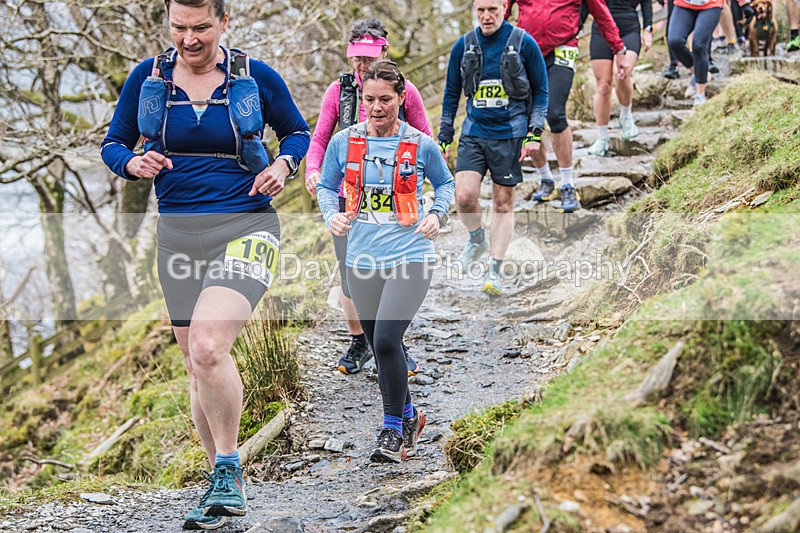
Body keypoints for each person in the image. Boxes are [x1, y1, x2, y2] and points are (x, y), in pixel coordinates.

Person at [100, 0, 309, 529]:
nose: (188, 39)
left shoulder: (255, 76)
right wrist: (132, 162)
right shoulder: (146, 79)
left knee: (209, 346)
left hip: (246, 226)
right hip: (177, 237)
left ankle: (230, 469)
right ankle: (220, 481)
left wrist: (285, 164)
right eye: (178, 28)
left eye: (200, 27)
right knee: (195, 362)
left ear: (223, 22)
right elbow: (113, 143)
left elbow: (298, 133)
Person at [317, 61, 454, 462]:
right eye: (369, 99)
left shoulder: (419, 144)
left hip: (411, 254)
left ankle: (392, 429)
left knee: (386, 340)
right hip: (362, 257)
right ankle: (410, 416)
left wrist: (437, 214)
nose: (376, 107)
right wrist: (331, 215)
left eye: (385, 100)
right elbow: (326, 186)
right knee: (381, 347)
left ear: (401, 98)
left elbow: (445, 183)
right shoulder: (344, 142)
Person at [304, 19, 432, 377]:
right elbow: (320, 138)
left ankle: (392, 343)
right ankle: (361, 341)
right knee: (351, 275)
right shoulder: (338, 92)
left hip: (396, 199)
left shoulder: (406, 92)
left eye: (369, 57)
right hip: (348, 200)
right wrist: (314, 169)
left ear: (384, 53)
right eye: (356, 57)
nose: (361, 64)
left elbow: (426, 138)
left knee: (392, 271)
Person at [438, 0, 548, 296]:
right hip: (474, 132)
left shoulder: (523, 42)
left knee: (502, 203)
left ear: (504, 7)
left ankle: (494, 271)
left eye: (493, 10)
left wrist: (534, 133)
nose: (486, 16)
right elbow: (451, 93)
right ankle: (477, 239)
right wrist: (445, 135)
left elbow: (541, 91)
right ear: (475, 9)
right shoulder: (464, 45)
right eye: (481, 10)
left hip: (510, 134)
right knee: (464, 196)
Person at [507, 0, 630, 214]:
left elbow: (601, 13)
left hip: (563, 48)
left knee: (554, 113)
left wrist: (618, 48)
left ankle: (567, 184)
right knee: (526, 118)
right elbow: (499, 9)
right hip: (527, 50)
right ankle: (546, 178)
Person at [585, 0, 653, 156]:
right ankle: (602, 137)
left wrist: (647, 28)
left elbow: (646, 2)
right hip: (601, 28)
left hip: (628, 28)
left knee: (621, 74)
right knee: (603, 86)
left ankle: (626, 115)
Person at [668, 0, 754, 107]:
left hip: (711, 5)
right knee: (674, 42)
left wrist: (744, 4)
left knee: (699, 46)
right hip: (684, 4)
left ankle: (700, 94)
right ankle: (699, 72)